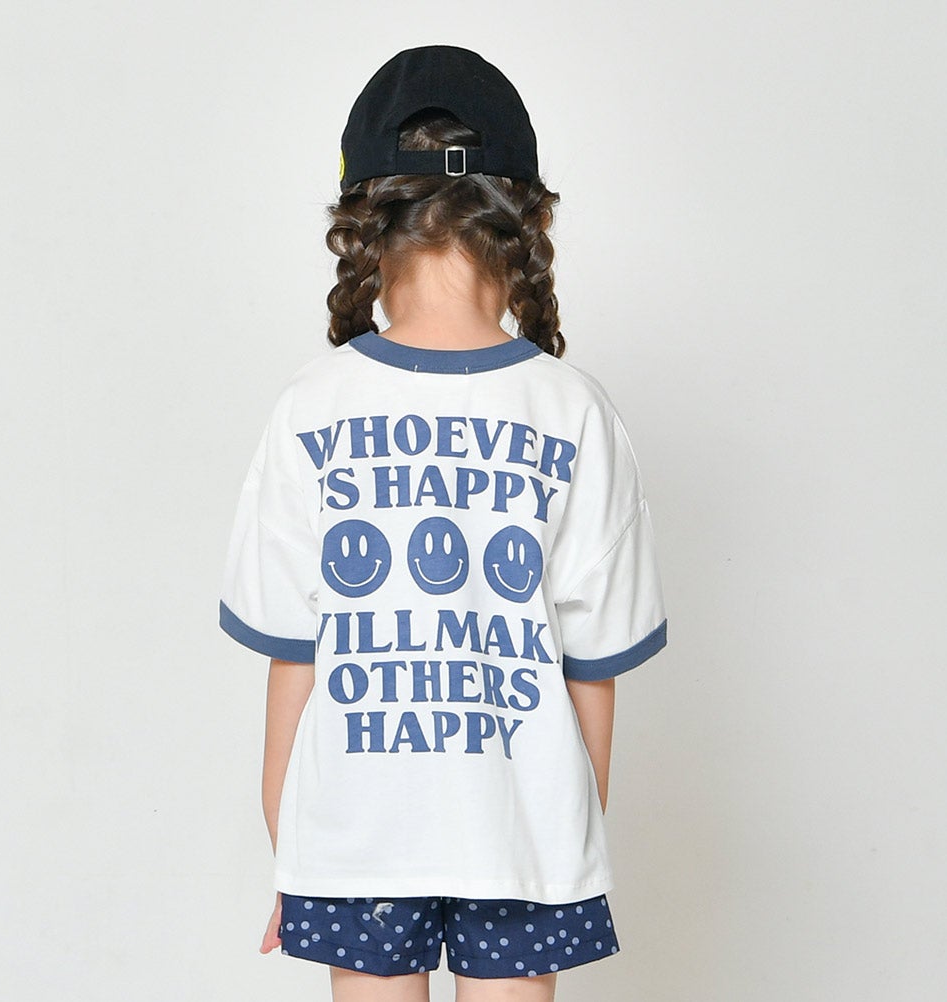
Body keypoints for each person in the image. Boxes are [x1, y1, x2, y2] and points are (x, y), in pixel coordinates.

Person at [218, 44, 668, 1002]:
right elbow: (592, 672)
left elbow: (293, 661)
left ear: (362, 226)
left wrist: (297, 856)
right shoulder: (575, 412)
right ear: (528, 223)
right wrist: (565, 847)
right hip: (523, 836)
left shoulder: (310, 407)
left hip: (354, 837)